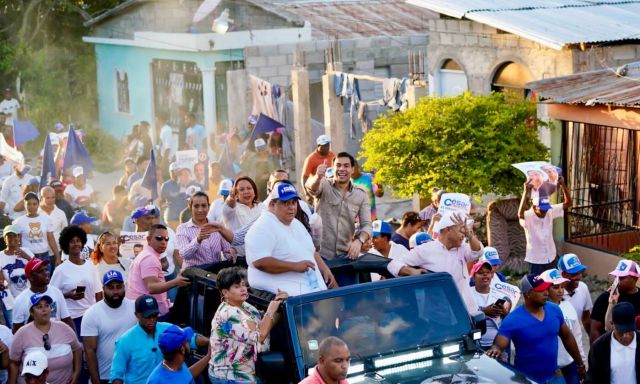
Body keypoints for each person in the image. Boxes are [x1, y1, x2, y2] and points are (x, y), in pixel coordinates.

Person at [486, 274, 586, 383]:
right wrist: (494, 351)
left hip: (555, 378)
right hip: (527, 380)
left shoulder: (555, 310)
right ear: (528, 294)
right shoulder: (512, 320)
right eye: (540, 290)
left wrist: (580, 363)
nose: (546, 293)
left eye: (546, 288)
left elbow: (567, 337)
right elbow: (498, 345)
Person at [246, 183, 335, 295]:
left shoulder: (296, 223)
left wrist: (325, 270)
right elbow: (260, 262)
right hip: (288, 302)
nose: (292, 207)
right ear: (272, 204)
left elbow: (311, 251)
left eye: (293, 202)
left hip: (313, 294)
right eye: (285, 203)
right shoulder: (262, 226)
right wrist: (294, 266)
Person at [387, 212, 482, 313]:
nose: (464, 235)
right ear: (448, 229)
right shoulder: (426, 250)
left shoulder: (463, 248)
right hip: (438, 315)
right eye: (461, 230)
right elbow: (393, 264)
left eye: (465, 231)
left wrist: (470, 236)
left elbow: (478, 252)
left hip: (466, 311)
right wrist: (410, 271)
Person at [209, 267, 287, 383]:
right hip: (229, 377)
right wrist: (271, 310)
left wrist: (278, 303)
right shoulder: (228, 314)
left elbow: (265, 323)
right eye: (237, 286)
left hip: (247, 372)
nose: (243, 289)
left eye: (243, 285)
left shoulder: (245, 306)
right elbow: (259, 336)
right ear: (225, 292)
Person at [110, 295, 208, 384]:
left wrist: (211, 341)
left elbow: (191, 338)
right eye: (147, 316)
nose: (152, 320)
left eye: (155, 315)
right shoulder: (125, 341)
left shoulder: (167, 329)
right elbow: (116, 376)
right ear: (137, 315)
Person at [305, 152, 371, 261]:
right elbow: (311, 188)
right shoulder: (324, 184)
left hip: (345, 256)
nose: (342, 169)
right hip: (319, 255)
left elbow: (367, 225)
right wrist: (317, 176)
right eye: (338, 165)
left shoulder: (361, 195)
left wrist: (359, 241)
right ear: (333, 167)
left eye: (346, 166)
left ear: (352, 169)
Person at [8, 293, 82, 384]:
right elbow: (14, 363)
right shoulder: (22, 333)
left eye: (47, 306)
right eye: (39, 307)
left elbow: (77, 349)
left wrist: (76, 373)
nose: (44, 310)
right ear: (31, 312)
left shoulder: (64, 328)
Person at [81, 270, 136, 384]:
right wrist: (97, 381)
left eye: (118, 287)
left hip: (132, 375)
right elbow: (89, 352)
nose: (115, 291)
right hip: (105, 377)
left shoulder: (135, 308)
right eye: (111, 287)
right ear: (103, 289)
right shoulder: (91, 314)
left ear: (124, 287)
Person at [126, 224, 189, 321]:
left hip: (147, 312)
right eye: (159, 238)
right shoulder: (150, 258)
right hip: (150, 314)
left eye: (166, 239)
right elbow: (152, 287)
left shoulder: (148, 254)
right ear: (149, 239)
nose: (163, 242)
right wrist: (176, 282)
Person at [50, 225, 102, 336]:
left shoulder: (90, 266)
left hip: (91, 316)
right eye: (72, 241)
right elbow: (51, 295)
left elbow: (98, 292)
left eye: (78, 240)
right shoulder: (60, 270)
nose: (76, 244)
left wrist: (99, 313)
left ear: (82, 243)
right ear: (66, 245)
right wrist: (67, 295)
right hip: (72, 319)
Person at [540, 268, 587, 384]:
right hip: (548, 367)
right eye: (555, 287)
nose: (560, 290)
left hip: (569, 363)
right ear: (545, 289)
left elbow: (576, 336)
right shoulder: (539, 310)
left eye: (562, 286)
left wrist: (581, 362)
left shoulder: (568, 306)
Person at [518, 176, 572, 274]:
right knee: (537, 288)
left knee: (553, 284)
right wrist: (525, 192)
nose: (545, 211)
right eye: (542, 209)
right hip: (535, 260)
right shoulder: (528, 216)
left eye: (546, 208)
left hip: (551, 257)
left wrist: (562, 185)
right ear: (534, 207)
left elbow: (568, 203)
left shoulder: (549, 211)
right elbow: (520, 214)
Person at [11, 258, 73, 334]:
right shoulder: (20, 300)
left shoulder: (56, 292)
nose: (46, 273)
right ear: (31, 277)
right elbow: (17, 331)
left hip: (57, 340)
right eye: (41, 271)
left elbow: (67, 319)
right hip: (34, 343)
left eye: (46, 269)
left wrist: (75, 342)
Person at [587, 302, 640, 383]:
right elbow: (593, 378)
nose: (626, 336)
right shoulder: (599, 347)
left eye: (629, 330)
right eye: (621, 331)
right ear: (612, 324)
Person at [177, 192, 232, 269]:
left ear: (208, 207)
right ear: (190, 207)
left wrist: (231, 253)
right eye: (196, 206)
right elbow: (184, 255)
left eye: (203, 206)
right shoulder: (183, 228)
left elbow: (227, 251)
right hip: (195, 276)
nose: (200, 210)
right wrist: (198, 240)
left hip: (215, 273)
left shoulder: (217, 226)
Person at [590, 259, 640, 343]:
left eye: (621, 277)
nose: (617, 280)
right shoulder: (605, 298)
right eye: (616, 276)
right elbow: (595, 330)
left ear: (634, 278)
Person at [146, 325, 211, 384]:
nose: (190, 343)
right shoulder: (156, 380)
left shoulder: (176, 364)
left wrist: (208, 356)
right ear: (182, 349)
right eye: (187, 341)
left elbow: (185, 376)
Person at [12, 193, 61, 269]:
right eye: (29, 204)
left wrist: (58, 257)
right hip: (27, 257)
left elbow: (51, 239)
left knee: (45, 279)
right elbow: (18, 242)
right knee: (30, 280)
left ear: (38, 204)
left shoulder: (46, 219)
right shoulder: (18, 222)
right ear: (24, 204)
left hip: (44, 256)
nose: (32, 207)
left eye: (34, 204)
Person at [470, 261, 506, 350]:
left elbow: (508, 321)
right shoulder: (467, 294)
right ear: (473, 277)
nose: (485, 275)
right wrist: (483, 312)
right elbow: (461, 318)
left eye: (488, 272)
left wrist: (503, 312)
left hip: (497, 343)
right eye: (480, 273)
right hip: (474, 343)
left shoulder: (500, 294)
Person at [0, 225, 34, 320]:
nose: (12, 238)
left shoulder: (27, 251)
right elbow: (1, 281)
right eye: (9, 236)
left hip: (30, 298)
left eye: (15, 235)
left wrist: (27, 257)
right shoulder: (0, 256)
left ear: (19, 237)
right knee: (14, 329)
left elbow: (40, 268)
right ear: (4, 239)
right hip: (11, 301)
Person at [557, 253, 592, 335]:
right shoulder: (554, 295)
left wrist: (593, 342)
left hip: (577, 341)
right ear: (563, 274)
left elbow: (586, 318)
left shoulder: (583, 287)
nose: (579, 277)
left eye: (580, 272)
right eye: (574, 273)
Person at [301, 135, 335, 202]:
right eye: (324, 146)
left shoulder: (333, 155)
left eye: (328, 145)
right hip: (317, 191)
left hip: (332, 190)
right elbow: (304, 177)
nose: (326, 148)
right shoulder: (310, 159)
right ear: (318, 146)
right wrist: (307, 194)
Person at [38, 187, 67, 257]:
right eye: (48, 198)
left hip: (59, 251)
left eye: (53, 197)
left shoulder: (61, 213)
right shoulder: (35, 213)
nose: (51, 200)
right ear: (41, 198)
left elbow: (66, 233)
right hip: (40, 253)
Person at [160, 163, 188, 230]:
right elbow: (161, 202)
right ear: (170, 173)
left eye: (178, 171)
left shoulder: (186, 182)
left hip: (185, 217)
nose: (176, 174)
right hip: (172, 218)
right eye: (174, 171)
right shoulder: (165, 185)